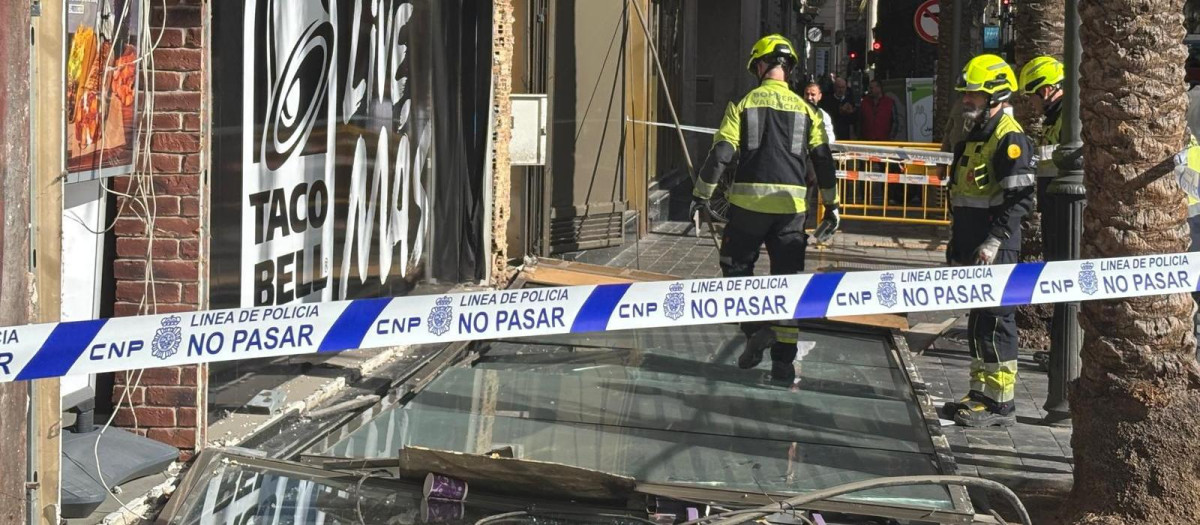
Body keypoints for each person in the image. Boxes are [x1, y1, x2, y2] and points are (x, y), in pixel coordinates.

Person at [692, 34, 841, 384]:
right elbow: (823, 161)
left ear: (761, 66)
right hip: (792, 210)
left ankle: (757, 328)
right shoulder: (809, 111)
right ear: (788, 69)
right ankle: (783, 365)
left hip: (747, 208)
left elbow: (721, 155)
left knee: (735, 268)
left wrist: (701, 195)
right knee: (787, 284)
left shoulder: (742, 104)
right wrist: (832, 206)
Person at [942, 54, 1035, 427]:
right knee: (979, 321)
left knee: (997, 320)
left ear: (996, 96)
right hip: (972, 244)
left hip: (995, 247)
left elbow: (1021, 200)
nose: (967, 100)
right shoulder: (973, 134)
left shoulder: (1009, 137)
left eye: (975, 95)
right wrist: (957, 242)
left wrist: (994, 242)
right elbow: (962, 193)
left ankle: (1002, 403)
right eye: (967, 94)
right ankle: (981, 393)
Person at [1017, 56, 1065, 250]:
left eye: (1031, 96)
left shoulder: (1067, 118)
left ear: (1045, 90)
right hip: (1052, 205)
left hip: (1064, 209)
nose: (1030, 102)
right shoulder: (1053, 118)